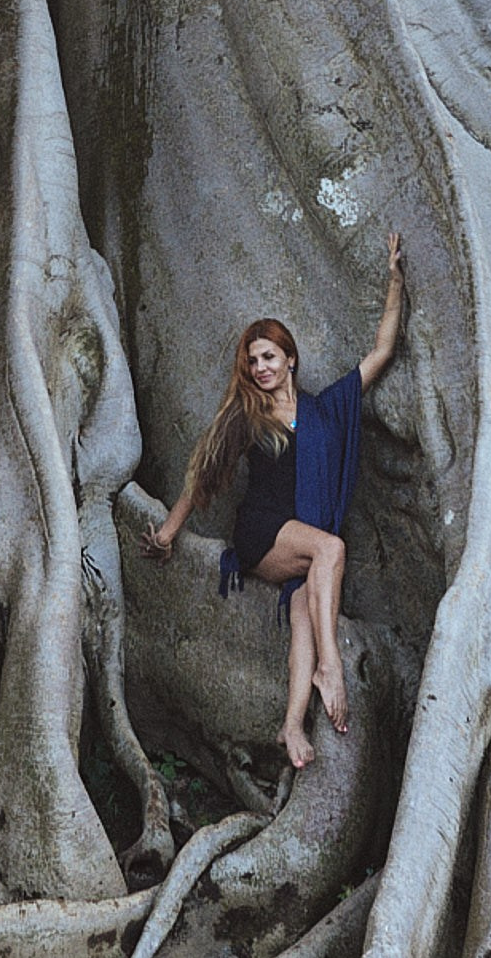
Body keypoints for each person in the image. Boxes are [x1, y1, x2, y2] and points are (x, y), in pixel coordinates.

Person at [142, 228, 406, 768]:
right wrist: (168, 531)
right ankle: (330, 666)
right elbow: (203, 475)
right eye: (253, 361)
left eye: (268, 357)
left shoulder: (325, 409)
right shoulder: (247, 416)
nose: (260, 368)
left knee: (307, 605)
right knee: (331, 549)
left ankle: (291, 725)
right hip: (262, 533)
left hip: (299, 541)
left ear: (290, 359)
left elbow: (382, 351)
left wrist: (395, 282)